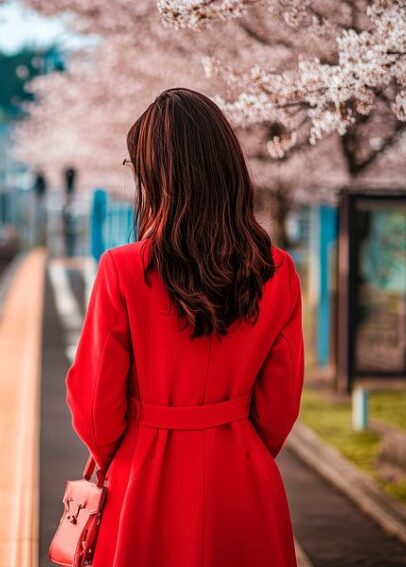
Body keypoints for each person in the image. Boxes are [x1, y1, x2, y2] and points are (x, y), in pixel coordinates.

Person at [66, 88, 304, 567]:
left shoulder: (123, 269)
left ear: (157, 176)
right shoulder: (277, 272)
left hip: (141, 484)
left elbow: (95, 408)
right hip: (244, 481)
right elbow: (279, 408)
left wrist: (130, 452)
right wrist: (236, 443)